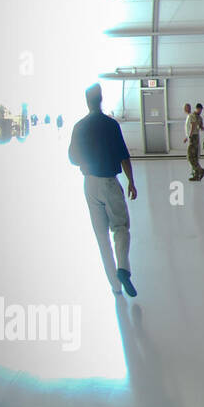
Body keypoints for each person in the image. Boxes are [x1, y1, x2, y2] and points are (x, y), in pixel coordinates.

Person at [67, 84, 138, 297]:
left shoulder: (79, 126)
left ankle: (115, 287)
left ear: (86, 101)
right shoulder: (110, 125)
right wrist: (131, 182)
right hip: (109, 181)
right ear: (101, 99)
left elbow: (72, 158)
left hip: (89, 183)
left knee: (101, 236)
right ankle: (123, 268)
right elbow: (124, 155)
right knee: (120, 227)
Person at [182, 102, 204, 181]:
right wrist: (187, 137)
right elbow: (200, 127)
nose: (185, 109)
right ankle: (196, 174)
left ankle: (200, 170)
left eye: (186, 107)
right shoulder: (194, 116)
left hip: (193, 138)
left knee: (190, 157)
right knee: (194, 157)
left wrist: (190, 136)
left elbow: (193, 126)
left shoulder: (192, 116)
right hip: (193, 137)